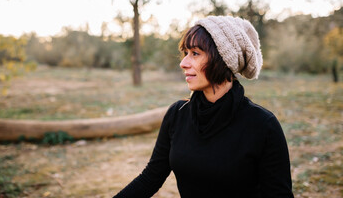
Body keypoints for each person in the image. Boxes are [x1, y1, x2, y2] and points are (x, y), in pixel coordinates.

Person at [113, 16, 294, 198]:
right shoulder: (178, 114)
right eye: (186, 53)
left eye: (196, 53)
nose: (183, 63)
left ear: (223, 59)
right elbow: (151, 177)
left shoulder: (262, 125)